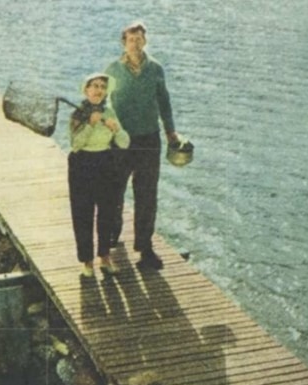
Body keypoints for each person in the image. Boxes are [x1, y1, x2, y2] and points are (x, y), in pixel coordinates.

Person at [105, 21, 180, 270]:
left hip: (149, 139)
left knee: (147, 195)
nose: (135, 44)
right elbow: (101, 104)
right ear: (123, 43)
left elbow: (164, 102)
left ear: (145, 41)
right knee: (115, 190)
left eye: (139, 39)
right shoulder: (112, 71)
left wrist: (171, 132)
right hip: (120, 141)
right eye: (130, 39)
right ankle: (111, 235)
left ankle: (145, 248)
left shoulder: (156, 69)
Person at [68, 73, 130, 278]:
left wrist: (116, 129)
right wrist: (90, 125)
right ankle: (86, 262)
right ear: (86, 90)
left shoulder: (110, 111)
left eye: (102, 87)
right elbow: (76, 145)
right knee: (83, 214)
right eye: (94, 86)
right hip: (81, 164)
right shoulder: (78, 113)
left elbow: (124, 142)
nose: (98, 90)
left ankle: (104, 257)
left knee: (107, 213)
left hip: (106, 162)